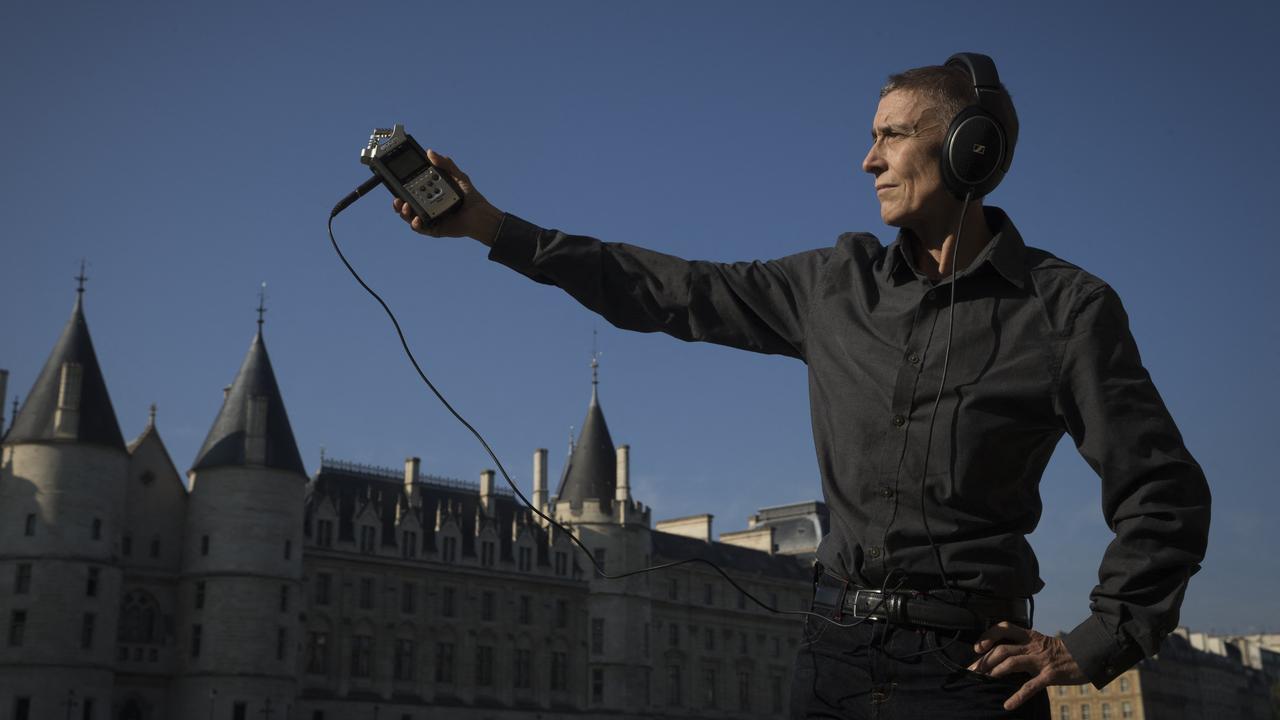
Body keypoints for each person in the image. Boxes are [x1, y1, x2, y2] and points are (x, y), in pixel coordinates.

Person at [390, 56, 1210, 719]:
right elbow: (663, 288)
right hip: (831, 661)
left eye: (891, 135)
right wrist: (491, 228)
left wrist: (1093, 642)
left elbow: (1163, 495)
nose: (869, 158)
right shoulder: (833, 284)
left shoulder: (1066, 310)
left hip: (967, 676)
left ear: (971, 149)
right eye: (871, 135)